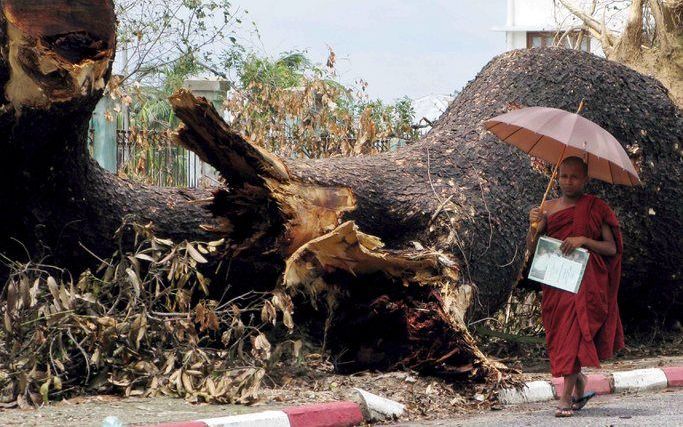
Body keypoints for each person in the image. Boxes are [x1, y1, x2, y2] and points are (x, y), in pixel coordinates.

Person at [526, 156, 624, 418]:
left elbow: (611, 247)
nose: (568, 182)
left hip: (585, 281)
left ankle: (566, 398)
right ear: (557, 177)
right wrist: (533, 226)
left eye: (575, 177)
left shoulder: (595, 207)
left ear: (585, 180)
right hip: (556, 281)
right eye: (564, 176)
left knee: (574, 333)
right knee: (561, 334)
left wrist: (583, 240)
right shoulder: (547, 207)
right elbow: (533, 249)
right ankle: (579, 380)